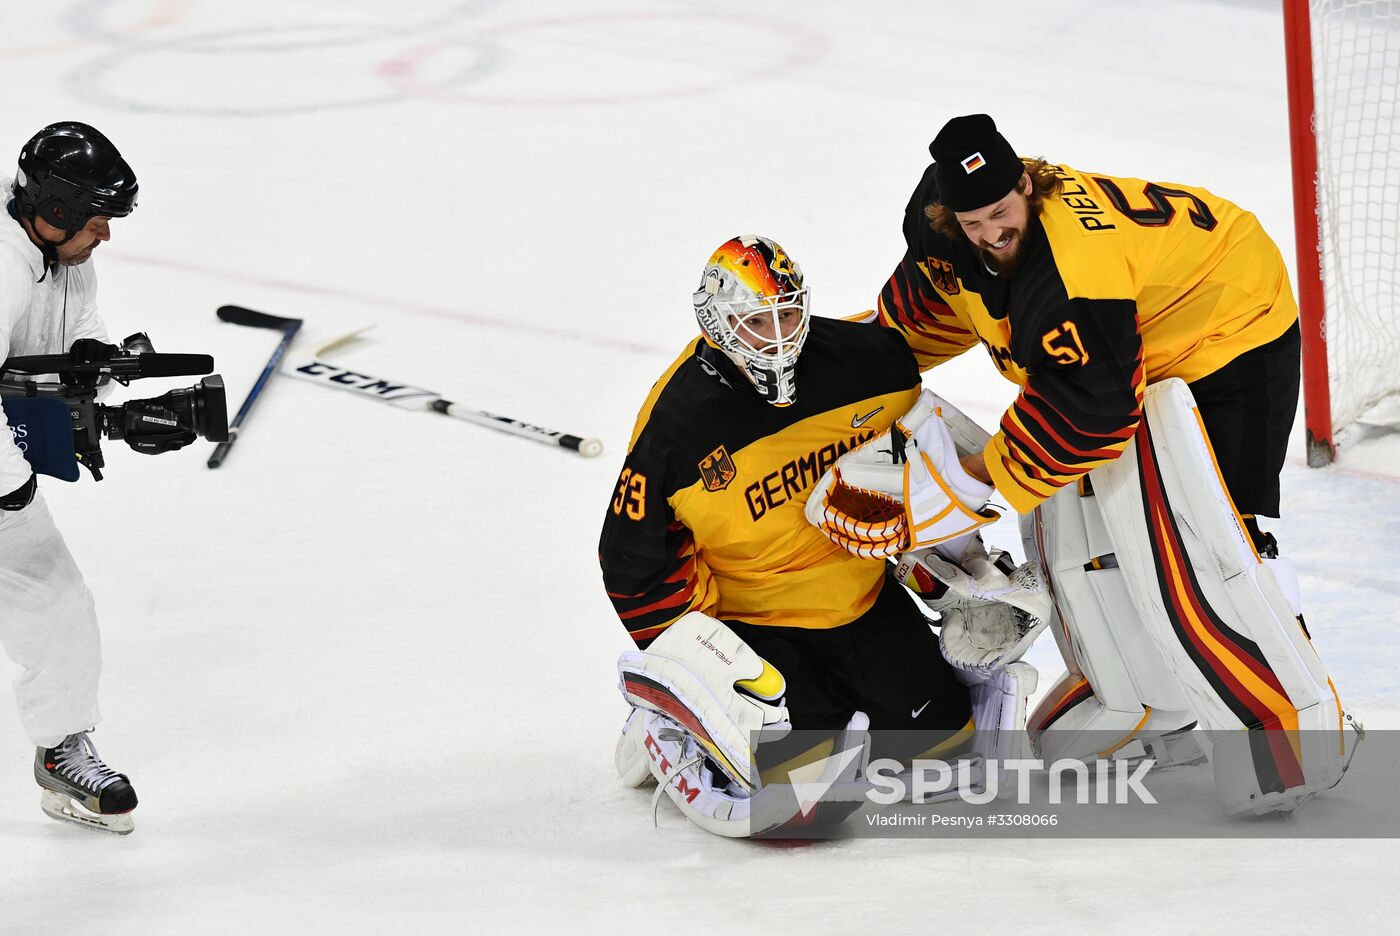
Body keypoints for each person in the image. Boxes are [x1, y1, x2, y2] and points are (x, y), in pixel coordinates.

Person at [860, 113, 1356, 814]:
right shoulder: (946, 238)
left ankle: (1291, 720)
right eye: (974, 223)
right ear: (947, 218)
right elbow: (907, 330)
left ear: (1025, 186)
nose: (992, 234)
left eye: (1002, 214)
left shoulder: (1070, 270)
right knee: (1085, 526)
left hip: (1226, 324)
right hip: (1121, 347)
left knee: (1207, 535)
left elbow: (1094, 410)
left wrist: (973, 475)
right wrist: (827, 377)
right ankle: (1143, 700)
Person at [598, 235, 1043, 836]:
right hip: (753, 623)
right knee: (808, 792)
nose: (779, 336)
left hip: (860, 599)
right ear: (717, 323)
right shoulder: (677, 426)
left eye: (787, 314)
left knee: (944, 746)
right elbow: (634, 562)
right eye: (758, 322)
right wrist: (706, 663)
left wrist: (953, 569)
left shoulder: (868, 366)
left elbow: (924, 467)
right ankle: (671, 720)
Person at [0, 121, 140, 833]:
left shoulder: (65, 254)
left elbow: (72, 341)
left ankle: (62, 751)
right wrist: (11, 487)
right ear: (53, 210)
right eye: (96, 219)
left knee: (58, 604)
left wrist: (110, 397)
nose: (105, 234)